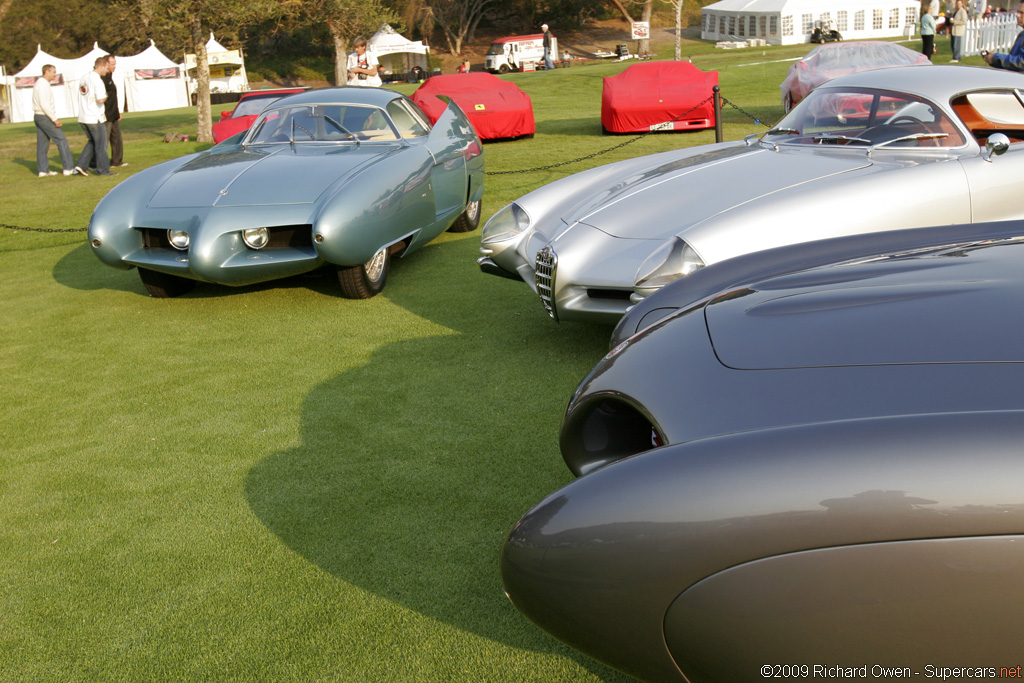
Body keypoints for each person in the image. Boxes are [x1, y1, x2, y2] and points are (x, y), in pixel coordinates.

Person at [31, 64, 74, 177]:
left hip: (40, 116)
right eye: (53, 72)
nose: (55, 74)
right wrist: (54, 119)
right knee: (61, 140)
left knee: (43, 144)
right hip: (44, 117)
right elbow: (44, 104)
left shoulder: (41, 84)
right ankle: (68, 168)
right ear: (47, 72)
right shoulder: (42, 85)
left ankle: (43, 170)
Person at [75, 56, 114, 176]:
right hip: (94, 117)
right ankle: (103, 170)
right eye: (106, 68)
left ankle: (81, 165)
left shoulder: (84, 78)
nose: (107, 71)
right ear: (100, 66)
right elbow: (101, 99)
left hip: (83, 116)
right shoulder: (97, 80)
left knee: (92, 141)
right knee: (101, 144)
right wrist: (107, 96)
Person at [984, 1, 1024, 70]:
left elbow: (1021, 62)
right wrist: (993, 59)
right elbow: (1012, 63)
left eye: (1022, 13)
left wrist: (996, 57)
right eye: (1018, 12)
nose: (1017, 15)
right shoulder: (1022, 34)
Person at [102, 55, 126, 167]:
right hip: (106, 115)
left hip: (113, 114)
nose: (114, 66)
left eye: (115, 64)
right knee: (104, 140)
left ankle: (117, 161)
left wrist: (117, 112)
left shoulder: (110, 77)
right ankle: (97, 163)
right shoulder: (102, 78)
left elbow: (112, 98)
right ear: (106, 64)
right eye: (112, 64)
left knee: (117, 138)